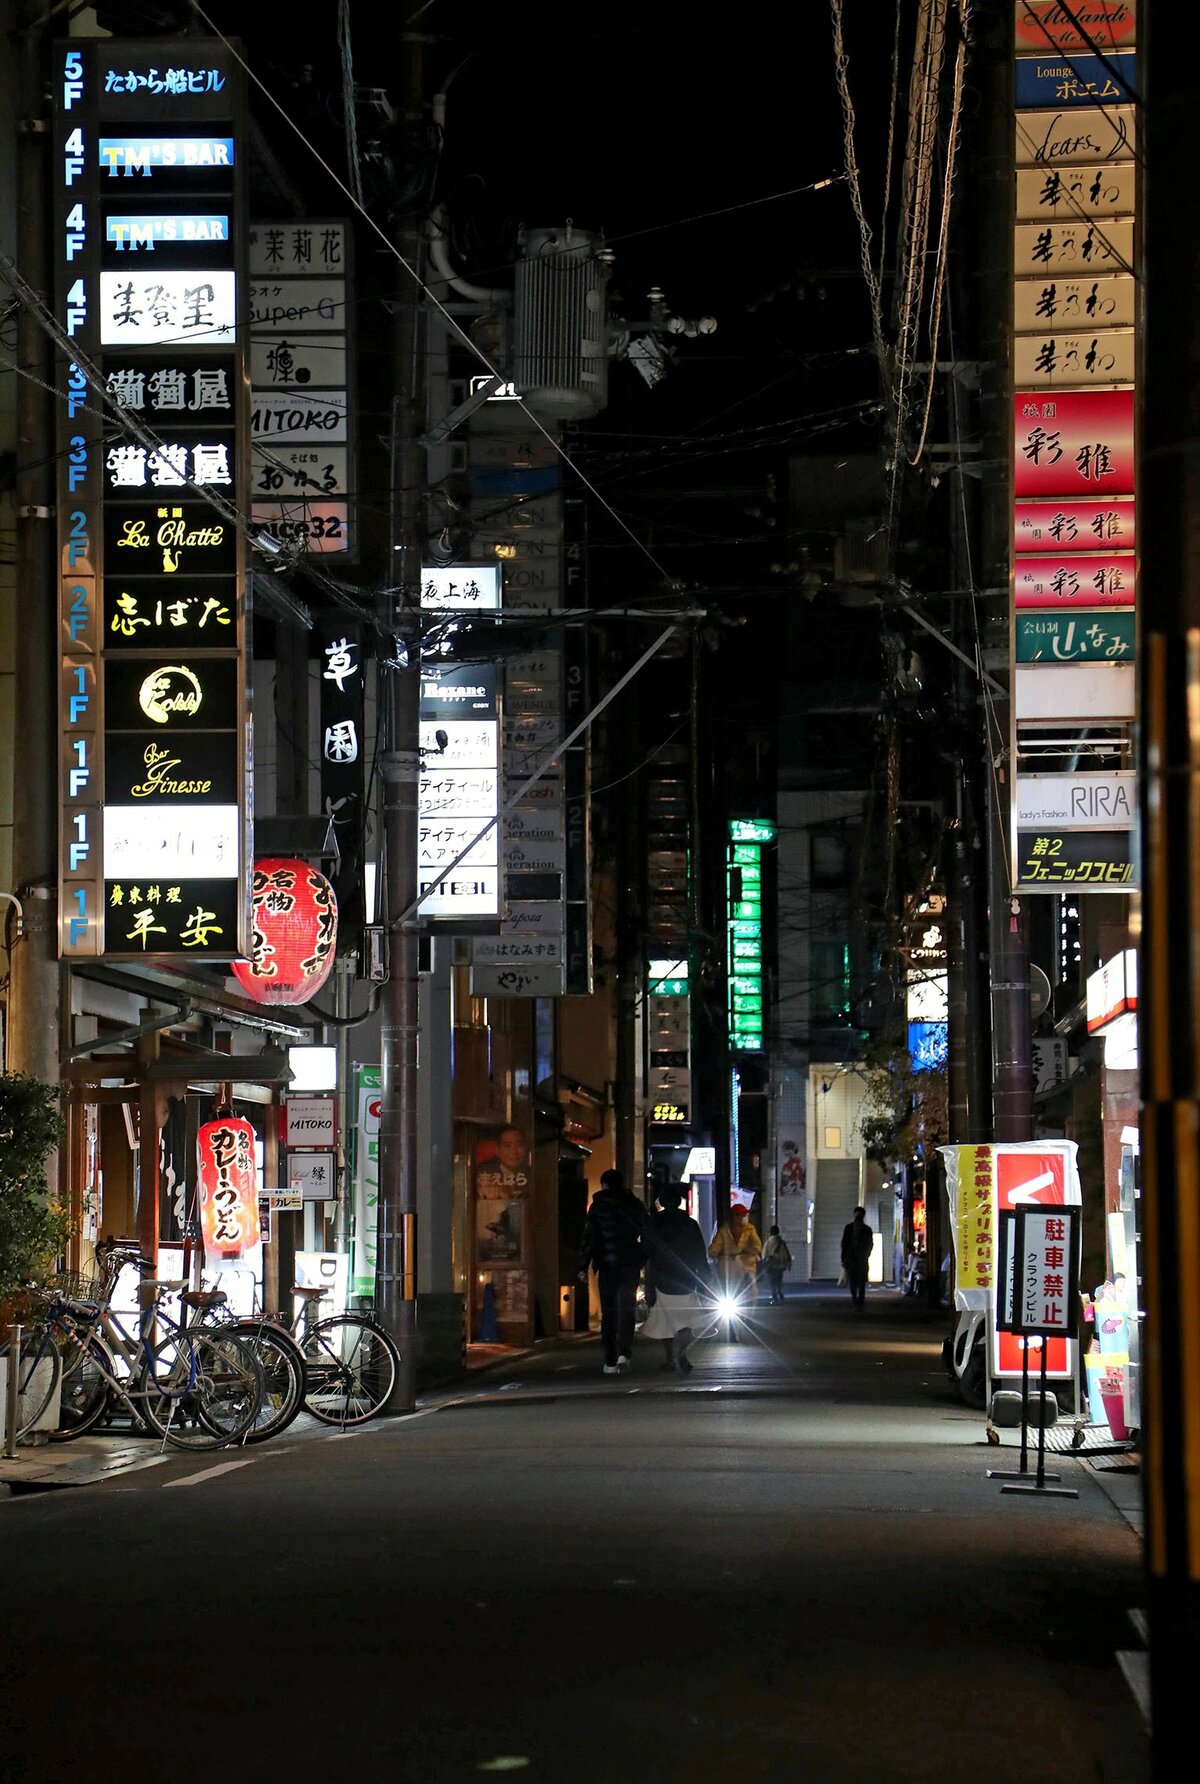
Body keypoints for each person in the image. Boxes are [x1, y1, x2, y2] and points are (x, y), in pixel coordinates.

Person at [579, 1168, 649, 1375]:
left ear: (605, 1185)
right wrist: (642, 1258)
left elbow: (589, 1237)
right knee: (627, 1310)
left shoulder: (597, 1207)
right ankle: (623, 1354)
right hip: (629, 1264)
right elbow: (646, 1231)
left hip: (607, 1264)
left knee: (608, 1313)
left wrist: (582, 1266)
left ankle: (609, 1360)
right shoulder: (634, 1204)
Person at [640, 1186, 710, 1373]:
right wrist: (704, 1276)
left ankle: (669, 1357)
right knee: (685, 1320)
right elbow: (699, 1253)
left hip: (662, 1278)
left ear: (661, 1203)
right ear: (679, 1203)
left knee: (665, 1321)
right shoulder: (690, 1224)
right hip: (686, 1279)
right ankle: (683, 1354)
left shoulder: (654, 1223)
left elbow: (646, 1251)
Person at [708, 1203, 763, 1319]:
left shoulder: (750, 1229)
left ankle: (750, 1316)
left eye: (744, 1215)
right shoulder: (724, 1230)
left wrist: (749, 1250)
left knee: (752, 1289)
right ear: (733, 1217)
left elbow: (757, 1245)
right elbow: (715, 1246)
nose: (742, 1218)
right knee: (725, 1291)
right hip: (728, 1269)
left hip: (747, 1267)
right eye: (740, 1215)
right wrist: (714, 1252)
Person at [841, 1205, 873, 1308]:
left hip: (855, 1258)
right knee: (858, 1280)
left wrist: (844, 1257)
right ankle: (858, 1299)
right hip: (858, 1258)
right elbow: (870, 1244)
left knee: (856, 1280)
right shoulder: (866, 1229)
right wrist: (866, 1254)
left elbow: (844, 1243)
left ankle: (857, 1299)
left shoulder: (850, 1228)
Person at [760, 1225, 792, 1305]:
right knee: (779, 1280)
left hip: (771, 1265)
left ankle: (774, 1295)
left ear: (770, 1232)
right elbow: (785, 1254)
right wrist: (787, 1263)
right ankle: (779, 1291)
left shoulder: (768, 1242)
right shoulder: (781, 1242)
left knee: (772, 1281)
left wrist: (765, 1261)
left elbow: (764, 1254)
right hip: (779, 1265)